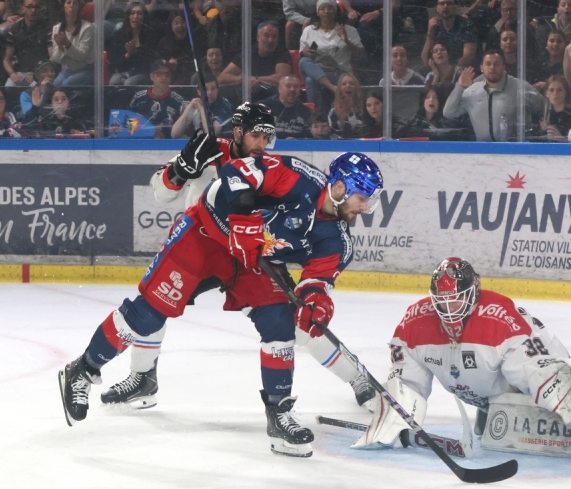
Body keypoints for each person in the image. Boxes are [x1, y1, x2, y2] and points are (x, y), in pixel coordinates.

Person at [58, 136, 384, 459]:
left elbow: (318, 281)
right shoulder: (296, 176)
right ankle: (83, 369)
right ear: (340, 188)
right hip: (205, 234)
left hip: (252, 259)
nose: (366, 207)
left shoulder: (337, 241)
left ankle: (279, 414)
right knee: (147, 315)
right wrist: (242, 220)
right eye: (363, 197)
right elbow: (235, 172)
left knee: (280, 323)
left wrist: (316, 304)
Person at [102, 104, 378, 413]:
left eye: (268, 138)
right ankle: (142, 378)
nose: (262, 145)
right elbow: (161, 193)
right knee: (158, 304)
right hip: (206, 245)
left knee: (297, 320)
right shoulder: (208, 152)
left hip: (250, 258)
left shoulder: (269, 168)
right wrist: (181, 167)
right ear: (238, 133)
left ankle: (356, 377)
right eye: (256, 136)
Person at [353, 257, 571, 464]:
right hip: (487, 389)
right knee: (496, 416)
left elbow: (540, 376)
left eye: (457, 301)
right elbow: (406, 388)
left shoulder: (498, 321)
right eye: (442, 303)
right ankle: (493, 410)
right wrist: (396, 419)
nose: (449, 311)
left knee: (548, 393)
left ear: (473, 292)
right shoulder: (413, 324)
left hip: (540, 368)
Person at [443, 50, 543, 142]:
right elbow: (448, 113)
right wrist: (459, 87)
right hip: (483, 152)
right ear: (482, 68)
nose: (492, 67)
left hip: (514, 152)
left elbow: (543, 107)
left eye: (497, 64)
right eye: (488, 64)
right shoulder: (472, 92)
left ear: (503, 67)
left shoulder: (520, 88)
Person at [299, 0, 365, 111]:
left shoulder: (348, 30)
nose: (326, 11)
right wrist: (304, 52)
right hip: (319, 70)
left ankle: (318, 115)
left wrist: (347, 41)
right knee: (303, 61)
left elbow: (362, 55)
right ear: (317, 12)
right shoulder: (309, 30)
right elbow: (302, 55)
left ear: (335, 11)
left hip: (340, 71)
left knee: (310, 80)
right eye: (322, 8)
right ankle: (319, 115)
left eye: (330, 8)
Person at [218, 20, 293, 103]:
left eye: (274, 37)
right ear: (258, 37)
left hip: (270, 93)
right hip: (248, 90)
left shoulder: (282, 53)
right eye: (266, 36)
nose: (270, 40)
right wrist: (244, 79)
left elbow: (281, 78)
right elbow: (222, 78)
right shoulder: (248, 53)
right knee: (222, 92)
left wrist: (257, 79)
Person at [128, 59, 187, 138]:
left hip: (169, 146)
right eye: (159, 74)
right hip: (141, 144)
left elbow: (182, 130)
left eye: (167, 74)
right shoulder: (138, 98)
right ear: (151, 76)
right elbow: (129, 126)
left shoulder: (178, 101)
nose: (164, 77)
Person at [3, 0, 52, 87]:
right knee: (9, 86)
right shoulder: (14, 30)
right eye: (29, 7)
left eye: (36, 7)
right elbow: (6, 59)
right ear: (23, 9)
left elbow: (52, 57)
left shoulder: (47, 29)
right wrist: (12, 73)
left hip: (39, 73)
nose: (33, 10)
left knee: (35, 87)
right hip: (20, 73)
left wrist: (37, 75)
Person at [107, 3, 157, 86]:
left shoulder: (150, 35)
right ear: (128, 16)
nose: (135, 17)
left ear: (144, 16)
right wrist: (128, 54)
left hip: (142, 72)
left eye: (139, 13)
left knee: (129, 83)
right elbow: (115, 63)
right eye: (132, 13)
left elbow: (149, 63)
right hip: (123, 71)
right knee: (114, 81)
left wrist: (136, 52)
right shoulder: (119, 35)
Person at [421, 0, 478, 69]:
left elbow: (468, 58)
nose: (445, 6)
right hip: (442, 69)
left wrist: (448, 71)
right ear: (437, 9)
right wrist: (430, 31)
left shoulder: (467, 25)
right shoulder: (435, 26)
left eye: (449, 3)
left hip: (464, 69)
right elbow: (425, 59)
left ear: (455, 8)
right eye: (442, 4)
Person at [49, 0, 94, 87]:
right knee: (54, 85)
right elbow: (57, 60)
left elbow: (81, 56)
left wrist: (67, 44)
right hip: (67, 70)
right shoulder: (56, 28)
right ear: (63, 6)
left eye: (75, 3)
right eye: (68, 2)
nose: (71, 5)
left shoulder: (87, 28)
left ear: (79, 7)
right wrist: (60, 47)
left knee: (66, 84)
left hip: (86, 69)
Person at [261, 74, 313, 139]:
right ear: (279, 89)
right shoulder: (263, 107)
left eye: (296, 87)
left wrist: (297, 141)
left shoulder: (305, 111)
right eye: (288, 86)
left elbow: (309, 136)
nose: (292, 89)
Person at [23, 87, 88, 137]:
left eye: (63, 99)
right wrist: (35, 107)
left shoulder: (76, 119)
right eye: (56, 99)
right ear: (51, 104)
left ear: (68, 102)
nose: (60, 102)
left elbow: (85, 132)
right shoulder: (45, 119)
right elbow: (28, 129)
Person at [154, 12, 193, 86]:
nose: (180, 25)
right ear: (170, 26)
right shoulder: (164, 42)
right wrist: (167, 64)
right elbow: (157, 62)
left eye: (182, 22)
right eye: (176, 23)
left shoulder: (192, 41)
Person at [539, 75, 571, 142]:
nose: (555, 93)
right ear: (546, 93)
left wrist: (562, 139)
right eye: (551, 90)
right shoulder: (543, 114)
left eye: (560, 90)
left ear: (566, 92)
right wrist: (543, 130)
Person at [327, 72, 363, 138]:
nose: (348, 86)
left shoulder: (365, 109)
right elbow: (331, 134)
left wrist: (351, 114)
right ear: (339, 89)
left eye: (351, 83)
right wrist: (341, 119)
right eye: (344, 84)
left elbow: (362, 131)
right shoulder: (333, 112)